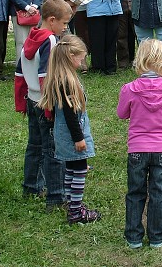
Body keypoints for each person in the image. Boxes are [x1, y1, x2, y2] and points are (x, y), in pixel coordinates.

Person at [117, 38, 162, 249]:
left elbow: (121, 114)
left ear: (140, 59)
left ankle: (133, 237)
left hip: (137, 149)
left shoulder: (129, 88)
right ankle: (157, 236)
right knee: (158, 192)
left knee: (135, 192)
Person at [15, 0, 73, 212]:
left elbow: (20, 73)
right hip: (46, 102)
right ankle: (56, 196)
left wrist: (21, 100)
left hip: (31, 99)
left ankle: (31, 187)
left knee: (34, 146)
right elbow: (45, 76)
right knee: (53, 150)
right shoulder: (50, 41)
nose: (65, 27)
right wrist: (51, 106)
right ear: (51, 20)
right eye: (65, 23)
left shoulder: (31, 37)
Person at [39, 34, 100, 224]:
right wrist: (79, 138)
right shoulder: (67, 83)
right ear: (70, 57)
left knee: (71, 168)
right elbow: (71, 115)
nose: (82, 61)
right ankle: (76, 212)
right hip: (72, 134)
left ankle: (71, 202)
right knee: (79, 169)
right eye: (80, 58)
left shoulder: (60, 78)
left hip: (62, 134)